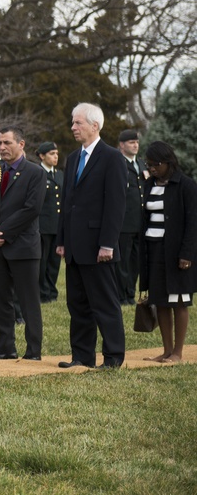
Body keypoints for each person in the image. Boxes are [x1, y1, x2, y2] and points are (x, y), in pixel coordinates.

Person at [55, 102, 127, 369]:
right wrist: (61, 240)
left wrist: (108, 243)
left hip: (100, 247)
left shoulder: (112, 158)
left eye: (78, 123)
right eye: (73, 122)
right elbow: (68, 202)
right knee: (78, 305)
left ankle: (113, 357)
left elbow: (116, 205)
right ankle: (82, 357)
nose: (73, 127)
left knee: (104, 304)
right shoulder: (73, 158)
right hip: (75, 246)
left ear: (94, 126)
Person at [0, 126, 45, 361]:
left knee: (28, 300)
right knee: (1, 300)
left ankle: (33, 350)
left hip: (22, 246)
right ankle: (5, 348)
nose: (2, 148)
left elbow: (31, 209)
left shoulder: (35, 172)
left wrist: (3, 232)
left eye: (7, 143)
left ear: (21, 144)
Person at [140, 141, 197, 363]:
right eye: (149, 164)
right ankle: (166, 350)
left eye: (156, 164)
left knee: (179, 300)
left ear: (168, 162)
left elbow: (193, 223)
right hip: (153, 251)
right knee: (160, 300)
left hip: (176, 253)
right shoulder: (149, 185)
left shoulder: (186, 185)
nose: (152, 168)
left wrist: (187, 254)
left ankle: (178, 353)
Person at [117, 129, 145, 306]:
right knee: (123, 263)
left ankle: (130, 293)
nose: (135, 145)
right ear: (122, 145)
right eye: (131, 142)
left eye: (136, 142)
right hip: (124, 222)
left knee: (135, 262)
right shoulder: (118, 163)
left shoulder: (141, 164)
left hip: (140, 222)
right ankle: (121, 296)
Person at [36, 142, 63, 303]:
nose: (55, 157)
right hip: (42, 226)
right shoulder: (37, 173)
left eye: (57, 154)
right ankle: (42, 292)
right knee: (42, 262)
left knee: (54, 262)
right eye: (52, 153)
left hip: (56, 225)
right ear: (42, 156)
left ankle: (51, 291)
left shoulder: (59, 174)